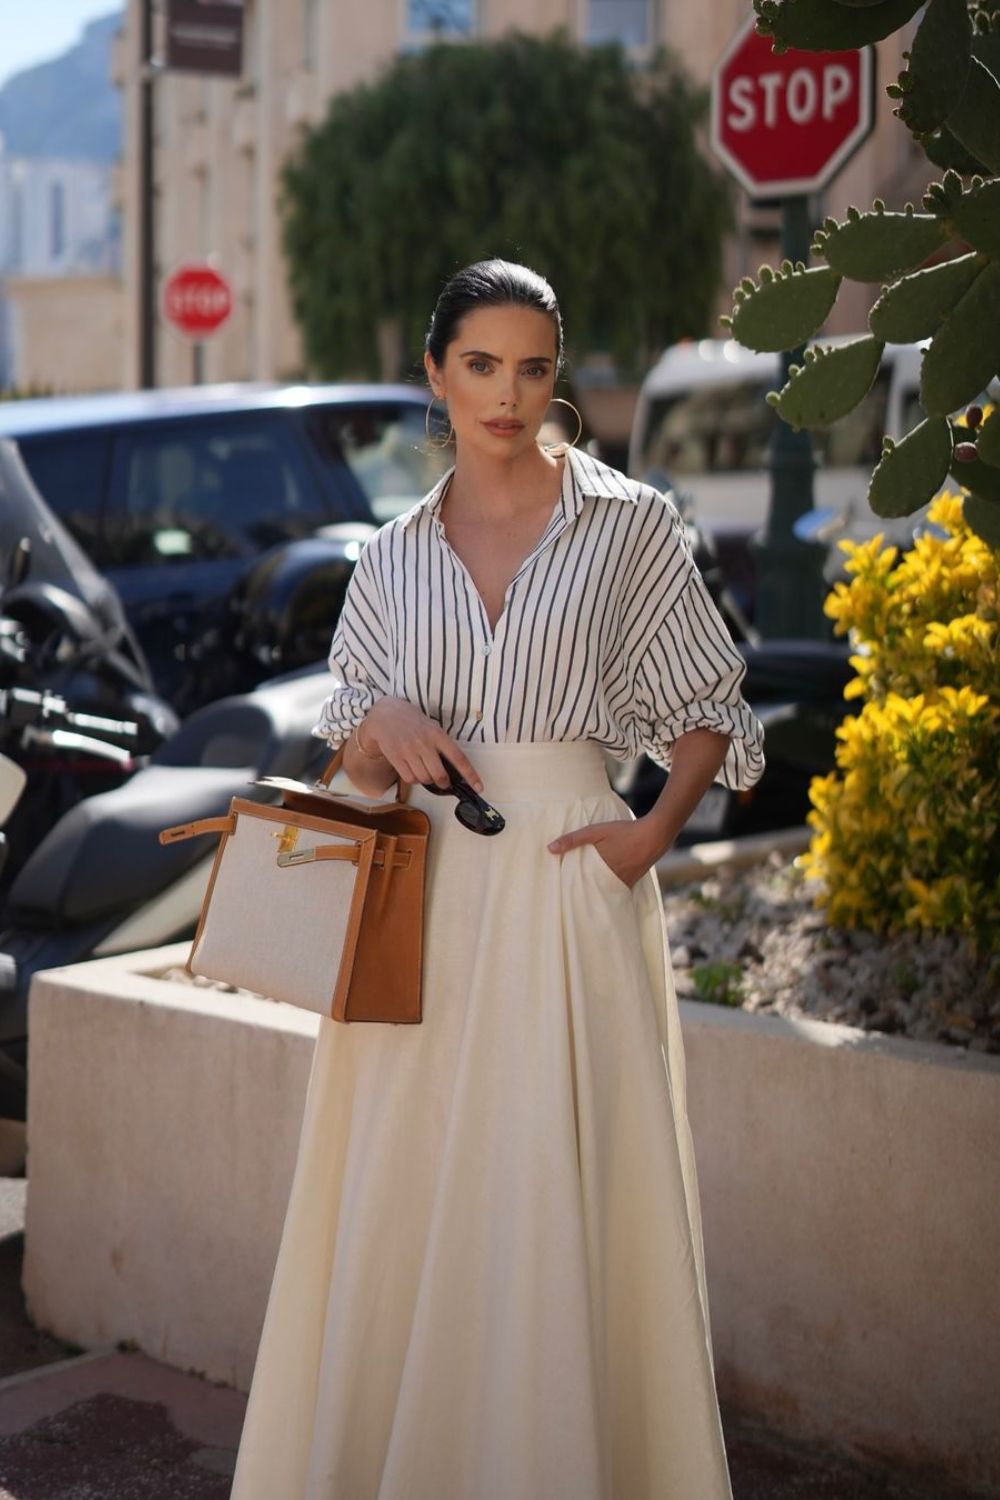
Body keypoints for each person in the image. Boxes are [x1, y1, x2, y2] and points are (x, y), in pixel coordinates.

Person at [228, 259, 765, 1500]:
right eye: (480, 366)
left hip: (572, 890)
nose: (507, 395)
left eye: (531, 368)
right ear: (435, 374)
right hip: (419, 916)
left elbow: (710, 706)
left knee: (559, 1201)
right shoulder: (389, 559)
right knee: (406, 1202)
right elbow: (350, 768)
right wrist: (386, 727)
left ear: (554, 377)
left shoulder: (626, 522)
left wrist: (648, 836)